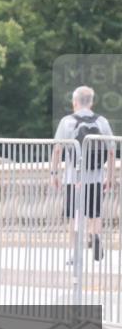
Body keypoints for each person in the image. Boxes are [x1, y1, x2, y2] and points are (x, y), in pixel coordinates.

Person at [51, 86, 115, 261]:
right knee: (95, 213)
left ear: (75, 103)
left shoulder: (67, 122)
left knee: (74, 215)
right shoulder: (102, 122)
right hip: (95, 178)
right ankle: (95, 236)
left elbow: (57, 150)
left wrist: (54, 174)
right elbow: (111, 151)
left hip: (73, 178)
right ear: (91, 102)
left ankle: (74, 252)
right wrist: (110, 177)